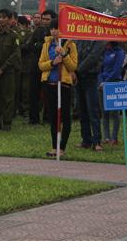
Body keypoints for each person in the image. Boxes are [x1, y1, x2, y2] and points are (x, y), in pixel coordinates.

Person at [38, 20, 77, 157]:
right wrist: (53, 62)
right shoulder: (46, 45)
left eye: (57, 28)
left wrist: (64, 55)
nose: (54, 31)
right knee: (53, 117)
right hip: (50, 84)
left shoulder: (71, 45)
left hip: (64, 84)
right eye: (52, 29)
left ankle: (63, 147)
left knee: (65, 116)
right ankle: (55, 146)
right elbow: (41, 65)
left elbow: (73, 66)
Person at [0, 9, 21, 131]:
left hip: (7, 72)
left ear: (10, 19)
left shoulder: (13, 36)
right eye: (0, 17)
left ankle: (7, 123)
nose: (1, 19)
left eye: (4, 17)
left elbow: (15, 54)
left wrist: (3, 68)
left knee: (8, 98)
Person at [75, 33, 105, 151]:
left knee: (93, 110)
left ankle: (97, 141)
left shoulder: (98, 38)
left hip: (91, 76)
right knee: (82, 110)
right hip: (78, 77)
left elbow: (93, 57)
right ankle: (86, 140)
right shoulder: (78, 37)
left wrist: (78, 70)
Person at [28, 9, 53, 125]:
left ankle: (48, 117)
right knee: (33, 93)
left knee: (48, 94)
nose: (44, 21)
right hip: (35, 66)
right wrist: (38, 45)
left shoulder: (55, 32)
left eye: (47, 19)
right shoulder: (38, 31)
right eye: (43, 19)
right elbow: (29, 45)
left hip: (49, 67)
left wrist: (39, 45)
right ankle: (33, 118)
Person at [98, 41, 125, 144]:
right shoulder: (104, 51)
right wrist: (101, 81)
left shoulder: (119, 52)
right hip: (101, 84)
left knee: (115, 112)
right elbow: (100, 68)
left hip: (114, 82)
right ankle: (106, 137)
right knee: (104, 112)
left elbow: (117, 70)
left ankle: (114, 137)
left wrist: (107, 82)